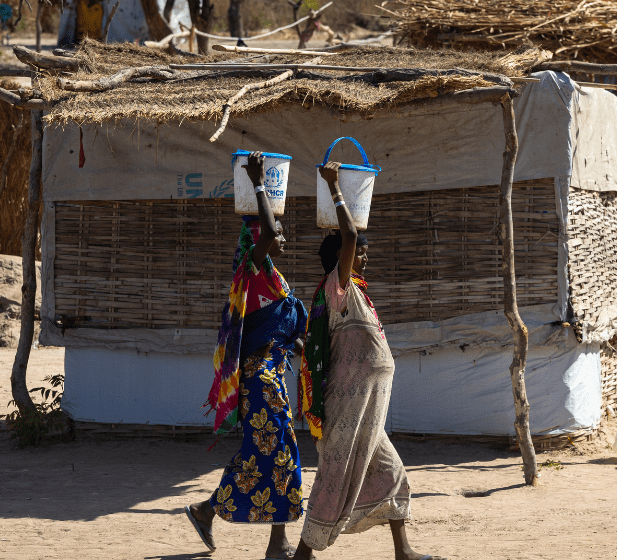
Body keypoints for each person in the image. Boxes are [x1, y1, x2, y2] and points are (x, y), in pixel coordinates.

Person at [292, 162, 445, 560]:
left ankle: (403, 551)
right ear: (345, 256)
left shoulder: (357, 292)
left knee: (391, 471)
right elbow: (350, 232)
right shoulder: (337, 287)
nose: (365, 255)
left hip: (368, 412)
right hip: (349, 406)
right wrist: (336, 188)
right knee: (335, 475)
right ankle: (303, 556)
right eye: (360, 252)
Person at [185, 153, 307, 559]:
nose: (281, 233)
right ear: (258, 238)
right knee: (279, 452)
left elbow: (284, 332)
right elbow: (269, 230)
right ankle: (273, 542)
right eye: (274, 229)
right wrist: (258, 184)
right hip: (261, 379)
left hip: (271, 375)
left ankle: (209, 512)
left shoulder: (270, 281)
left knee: (266, 453)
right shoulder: (251, 269)